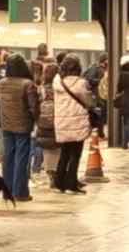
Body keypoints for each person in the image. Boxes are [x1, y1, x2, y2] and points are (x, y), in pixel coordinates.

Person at [0, 53, 39, 201]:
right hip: (23, 126)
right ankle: (20, 192)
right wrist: (35, 120)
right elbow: (34, 107)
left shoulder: (1, 83)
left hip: (6, 125)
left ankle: (7, 191)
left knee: (7, 158)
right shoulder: (28, 84)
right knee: (21, 159)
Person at [53, 54, 93, 194]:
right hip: (77, 123)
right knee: (75, 154)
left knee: (64, 152)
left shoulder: (57, 82)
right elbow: (89, 102)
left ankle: (59, 182)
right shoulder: (80, 83)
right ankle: (71, 184)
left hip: (62, 122)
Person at [35, 62, 61, 189]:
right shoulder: (60, 88)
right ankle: (58, 174)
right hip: (58, 120)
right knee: (57, 147)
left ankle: (51, 174)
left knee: (47, 149)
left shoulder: (40, 89)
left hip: (43, 122)